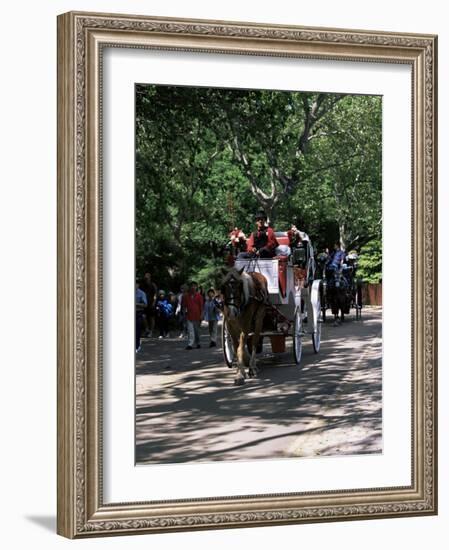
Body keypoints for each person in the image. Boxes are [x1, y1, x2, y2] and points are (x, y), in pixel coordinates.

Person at [183, 281, 204, 350]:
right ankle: (190, 344)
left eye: (194, 286)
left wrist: (201, 315)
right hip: (189, 315)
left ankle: (198, 343)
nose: (193, 287)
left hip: (197, 315)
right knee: (190, 330)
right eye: (192, 286)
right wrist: (183, 313)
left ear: (196, 287)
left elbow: (201, 306)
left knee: (196, 331)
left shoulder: (199, 296)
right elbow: (184, 306)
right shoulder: (186, 296)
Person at [139, 272, 157, 337]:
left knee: (151, 317)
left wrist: (154, 303)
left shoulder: (153, 285)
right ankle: (147, 330)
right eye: (145, 277)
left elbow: (155, 295)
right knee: (143, 316)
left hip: (151, 303)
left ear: (150, 278)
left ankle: (151, 332)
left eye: (147, 278)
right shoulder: (142, 285)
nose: (146, 279)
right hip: (144, 304)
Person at [135, 279, 148, 352]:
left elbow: (145, 304)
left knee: (137, 330)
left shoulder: (142, 293)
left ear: (138, 285)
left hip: (138, 313)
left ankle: (136, 346)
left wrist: (136, 304)